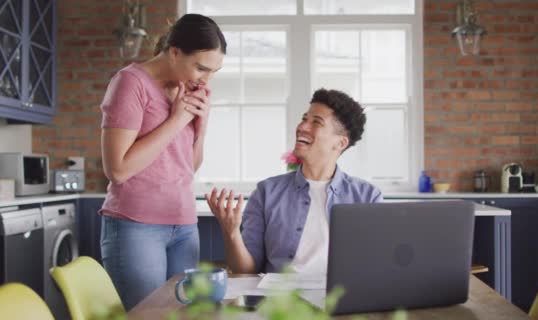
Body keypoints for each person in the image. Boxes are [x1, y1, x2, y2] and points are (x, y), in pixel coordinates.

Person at [98, 14, 226, 310]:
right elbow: (117, 170)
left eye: (214, 72)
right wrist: (177, 119)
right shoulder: (131, 83)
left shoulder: (189, 90)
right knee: (148, 315)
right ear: (174, 52)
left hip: (183, 224)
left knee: (185, 315)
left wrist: (200, 123)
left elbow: (188, 166)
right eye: (201, 68)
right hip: (136, 226)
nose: (206, 79)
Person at [207, 88, 382, 275]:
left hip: (339, 300)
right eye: (304, 119)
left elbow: (373, 266)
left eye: (316, 122)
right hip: (282, 301)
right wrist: (231, 232)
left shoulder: (368, 197)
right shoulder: (267, 192)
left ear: (340, 143)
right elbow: (247, 269)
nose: (302, 127)